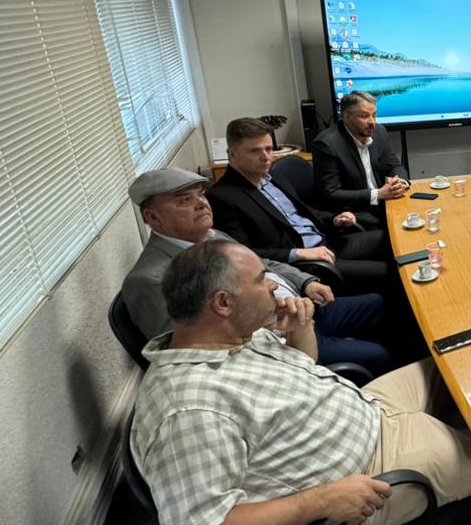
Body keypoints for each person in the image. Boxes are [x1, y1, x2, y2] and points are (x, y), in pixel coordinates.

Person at [132, 240, 471, 525]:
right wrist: (321, 500)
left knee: (457, 362)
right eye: (260, 280)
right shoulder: (186, 410)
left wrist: (300, 330)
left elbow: (303, 366)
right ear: (222, 303)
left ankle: (458, 450)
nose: (273, 286)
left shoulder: (231, 335)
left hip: (366, 409)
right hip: (365, 472)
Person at [121, 168, 394, 376]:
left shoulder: (213, 235)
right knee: (378, 355)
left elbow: (264, 263)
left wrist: (306, 281)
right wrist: (268, 322)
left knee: (381, 304)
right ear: (152, 217)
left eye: (201, 195)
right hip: (278, 341)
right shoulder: (150, 279)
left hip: (298, 308)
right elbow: (189, 357)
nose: (202, 204)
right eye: (184, 200)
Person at [209, 117, 391, 295]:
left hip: (327, 242)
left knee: (391, 240)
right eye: (255, 151)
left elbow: (304, 212)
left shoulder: (271, 176)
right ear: (232, 154)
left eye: (268, 149)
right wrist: (298, 254)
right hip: (305, 263)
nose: (265, 157)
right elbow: (242, 254)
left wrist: (334, 219)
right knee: (390, 273)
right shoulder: (222, 197)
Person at [311, 90, 409, 230]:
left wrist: (400, 182)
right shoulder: (326, 144)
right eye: (365, 116)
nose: (372, 122)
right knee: (402, 228)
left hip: (382, 204)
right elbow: (330, 193)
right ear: (346, 116)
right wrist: (378, 194)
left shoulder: (379, 132)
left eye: (374, 115)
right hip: (352, 212)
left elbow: (394, 165)